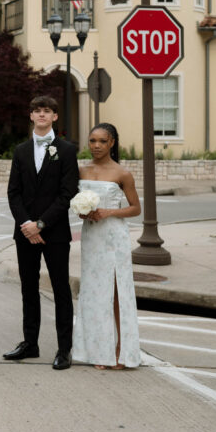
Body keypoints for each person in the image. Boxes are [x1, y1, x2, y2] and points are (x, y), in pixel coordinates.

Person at [4, 96, 79, 370]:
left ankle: (64, 349)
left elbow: (67, 193)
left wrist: (41, 224)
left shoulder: (67, 150)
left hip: (55, 232)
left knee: (61, 290)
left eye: (47, 111)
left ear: (55, 117)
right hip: (25, 232)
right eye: (37, 110)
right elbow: (13, 193)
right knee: (28, 288)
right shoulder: (21, 150)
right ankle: (30, 343)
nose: (42, 115)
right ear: (31, 116)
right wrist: (26, 224)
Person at [72, 123, 142, 369]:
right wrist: (82, 213)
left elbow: (135, 208)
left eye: (102, 141)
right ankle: (98, 349)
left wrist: (109, 212)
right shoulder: (81, 170)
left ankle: (121, 349)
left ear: (112, 142)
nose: (97, 146)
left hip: (113, 237)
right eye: (92, 141)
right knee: (93, 292)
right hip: (91, 236)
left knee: (115, 293)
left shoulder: (122, 173)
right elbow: (75, 200)